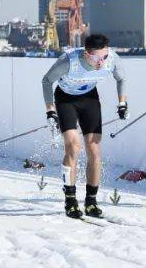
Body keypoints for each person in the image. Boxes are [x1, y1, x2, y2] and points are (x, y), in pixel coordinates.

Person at [41, 34, 127, 219]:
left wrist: (122, 103)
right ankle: (70, 200)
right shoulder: (68, 61)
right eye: (97, 58)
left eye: (104, 57)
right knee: (73, 147)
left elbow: (121, 79)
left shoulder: (111, 58)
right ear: (87, 54)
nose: (101, 62)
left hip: (89, 99)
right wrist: (50, 111)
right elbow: (46, 81)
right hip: (66, 100)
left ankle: (91, 201)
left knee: (94, 149)